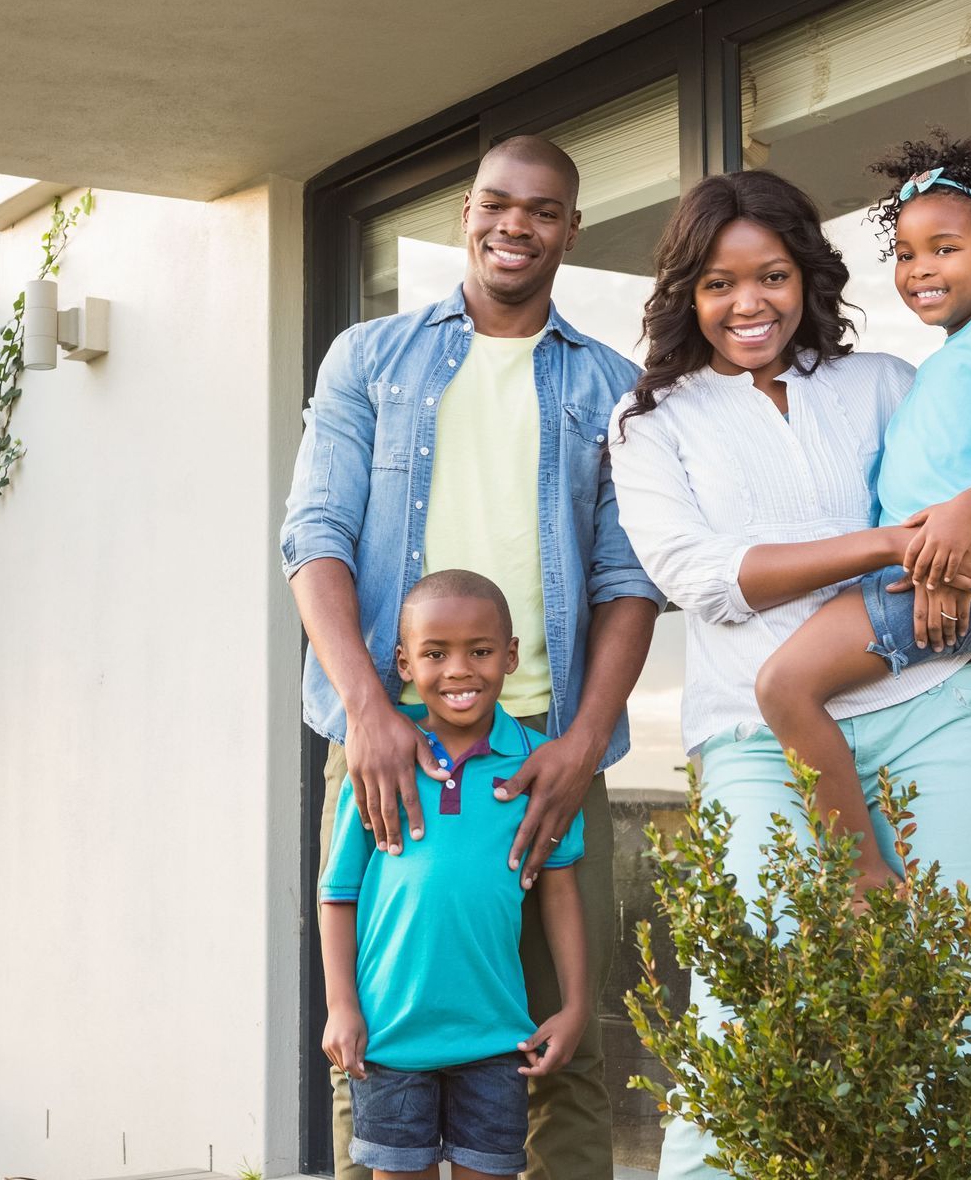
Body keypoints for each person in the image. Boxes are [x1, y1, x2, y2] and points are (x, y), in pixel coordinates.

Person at [605, 168, 971, 1179]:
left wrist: (969, 530)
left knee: (952, 1002)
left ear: (807, 278)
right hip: (760, 740)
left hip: (936, 716)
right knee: (753, 996)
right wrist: (891, 544)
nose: (749, 303)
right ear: (688, 291)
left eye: (772, 275)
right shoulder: (652, 423)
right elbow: (705, 578)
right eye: (721, 283)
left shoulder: (887, 382)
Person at [282, 133, 663, 1180]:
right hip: (388, 739)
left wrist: (583, 742)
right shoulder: (371, 357)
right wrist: (370, 710)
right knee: (374, 1046)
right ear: (466, 211)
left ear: (571, 229)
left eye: (542, 210)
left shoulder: (613, 386)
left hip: (547, 746)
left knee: (561, 1047)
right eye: (498, 203)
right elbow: (313, 534)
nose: (516, 225)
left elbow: (631, 576)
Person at [754, 133, 971, 894]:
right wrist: (939, 547)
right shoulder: (942, 364)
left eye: (944, 249)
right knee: (790, 683)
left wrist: (962, 521)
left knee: (784, 687)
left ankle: (862, 873)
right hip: (957, 566)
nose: (921, 270)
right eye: (906, 254)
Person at [320, 570, 589, 1179]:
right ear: (404, 663)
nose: (459, 670)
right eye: (435, 653)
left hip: (496, 1042)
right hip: (390, 1040)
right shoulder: (381, 762)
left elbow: (561, 892)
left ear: (512, 656)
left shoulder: (537, 765)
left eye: (481, 650)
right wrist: (342, 1007)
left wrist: (575, 1005)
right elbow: (337, 895)